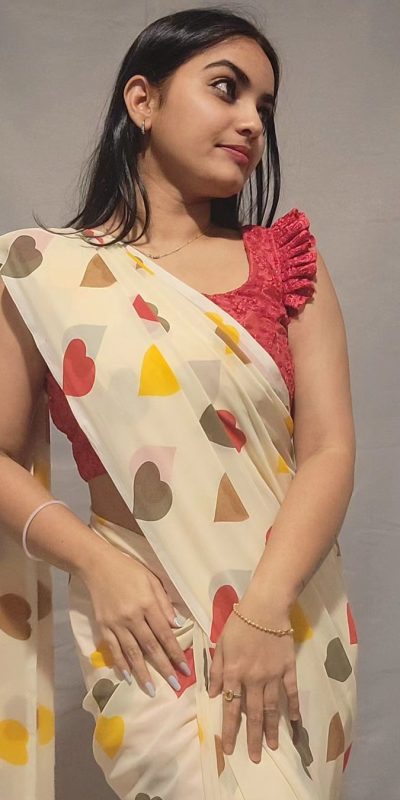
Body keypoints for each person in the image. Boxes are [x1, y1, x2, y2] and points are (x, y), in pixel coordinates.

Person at [0, 6, 358, 799]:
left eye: (264, 106)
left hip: (287, 614)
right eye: (226, 88)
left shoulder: (284, 261)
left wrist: (263, 611)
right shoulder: (44, 273)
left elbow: (329, 449)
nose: (251, 121)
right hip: (148, 630)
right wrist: (96, 563)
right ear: (143, 100)